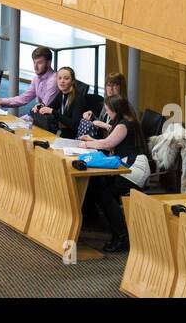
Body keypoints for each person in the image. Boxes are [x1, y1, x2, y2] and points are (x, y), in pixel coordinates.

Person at [79, 96, 144, 252]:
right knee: (97, 186)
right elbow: (109, 141)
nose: (107, 113)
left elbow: (107, 144)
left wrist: (86, 144)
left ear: (115, 110)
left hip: (134, 169)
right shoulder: (127, 120)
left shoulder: (124, 124)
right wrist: (91, 140)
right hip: (126, 165)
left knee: (105, 193)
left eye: (108, 110)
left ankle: (122, 236)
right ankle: (102, 225)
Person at [0, 46, 58, 116]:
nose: (35, 67)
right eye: (34, 62)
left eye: (39, 63)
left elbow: (44, 107)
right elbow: (24, 98)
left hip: (51, 121)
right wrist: (1, 101)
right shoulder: (37, 79)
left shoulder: (53, 81)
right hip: (42, 118)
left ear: (49, 63)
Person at [35, 65, 88, 136]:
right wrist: (40, 107)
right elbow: (50, 107)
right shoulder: (61, 94)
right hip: (61, 132)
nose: (62, 81)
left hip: (73, 137)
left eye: (66, 78)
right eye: (59, 78)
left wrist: (53, 111)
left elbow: (75, 125)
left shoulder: (78, 98)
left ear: (72, 81)